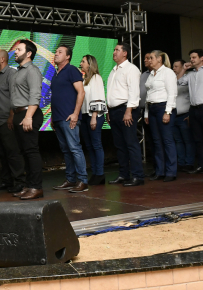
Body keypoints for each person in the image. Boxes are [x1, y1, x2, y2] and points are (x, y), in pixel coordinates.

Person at [9, 39, 45, 200]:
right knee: (24, 152)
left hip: (29, 114)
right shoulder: (19, 71)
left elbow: (35, 95)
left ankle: (36, 187)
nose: (15, 52)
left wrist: (28, 116)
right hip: (19, 114)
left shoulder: (32, 70)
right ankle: (29, 185)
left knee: (31, 152)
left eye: (19, 49)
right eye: (15, 49)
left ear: (28, 53)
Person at [106, 42, 145, 187]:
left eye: (117, 50)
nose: (114, 52)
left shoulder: (131, 69)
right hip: (115, 111)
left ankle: (138, 176)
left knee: (131, 143)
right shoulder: (113, 70)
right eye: (114, 50)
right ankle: (124, 175)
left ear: (125, 53)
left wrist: (128, 111)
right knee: (119, 145)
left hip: (126, 109)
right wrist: (109, 111)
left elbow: (134, 92)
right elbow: (111, 94)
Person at [51, 45, 88, 193]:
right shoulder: (56, 74)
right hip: (58, 118)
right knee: (66, 150)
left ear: (67, 57)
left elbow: (81, 92)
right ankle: (71, 179)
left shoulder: (72, 70)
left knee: (74, 148)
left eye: (60, 52)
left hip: (69, 117)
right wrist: (53, 117)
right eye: (56, 52)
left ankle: (83, 181)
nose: (56, 54)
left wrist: (75, 114)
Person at [0, 49, 26, 194]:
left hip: (7, 120)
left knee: (13, 153)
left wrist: (11, 116)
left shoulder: (11, 73)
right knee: (2, 154)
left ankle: (19, 182)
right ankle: (6, 181)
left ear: (2, 59)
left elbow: (14, 96)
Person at [144, 50, 177, 182]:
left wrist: (167, 112)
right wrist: (146, 113)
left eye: (151, 58)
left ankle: (171, 172)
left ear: (159, 59)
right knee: (156, 141)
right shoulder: (151, 74)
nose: (149, 60)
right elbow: (148, 95)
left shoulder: (168, 72)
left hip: (163, 107)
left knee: (167, 140)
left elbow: (172, 94)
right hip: (152, 108)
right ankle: (160, 171)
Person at [79, 54, 106, 185]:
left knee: (96, 145)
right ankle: (95, 172)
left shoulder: (96, 78)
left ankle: (100, 173)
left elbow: (98, 97)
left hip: (93, 115)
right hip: (84, 115)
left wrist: (94, 116)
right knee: (89, 146)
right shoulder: (84, 79)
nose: (80, 63)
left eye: (83, 61)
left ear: (89, 64)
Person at [171, 59, 195, 172]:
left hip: (185, 115)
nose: (174, 68)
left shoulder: (188, 79)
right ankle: (181, 163)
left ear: (183, 67)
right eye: (173, 66)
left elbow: (193, 97)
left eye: (176, 66)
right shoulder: (171, 80)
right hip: (173, 115)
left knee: (187, 140)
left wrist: (191, 114)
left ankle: (189, 163)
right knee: (178, 141)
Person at [140, 52, 154, 170]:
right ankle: (155, 167)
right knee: (150, 139)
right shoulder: (144, 74)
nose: (145, 60)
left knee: (158, 139)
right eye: (145, 58)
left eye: (148, 58)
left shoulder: (162, 73)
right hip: (145, 109)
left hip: (156, 109)